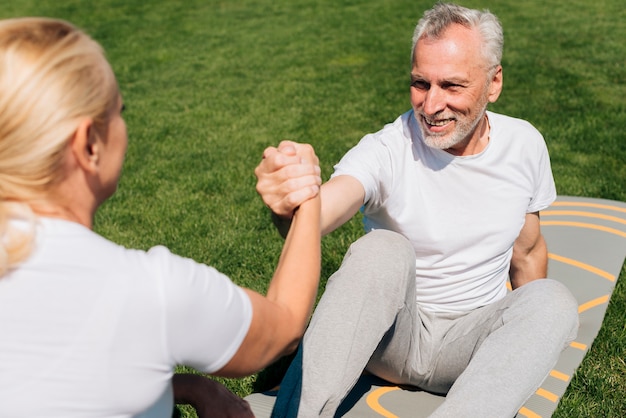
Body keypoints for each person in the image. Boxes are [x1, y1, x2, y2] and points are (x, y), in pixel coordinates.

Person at [254, 3, 579, 417]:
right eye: (420, 83)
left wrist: (522, 338)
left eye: (452, 86)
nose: (430, 105)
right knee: (382, 250)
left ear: (493, 82)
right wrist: (292, 206)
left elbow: (529, 252)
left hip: (470, 344)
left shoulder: (525, 145)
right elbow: (323, 211)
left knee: (552, 300)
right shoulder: (387, 150)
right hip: (392, 340)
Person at [0, 17, 323, 418]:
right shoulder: (149, 290)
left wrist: (184, 386)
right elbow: (285, 327)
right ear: (88, 145)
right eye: (120, 111)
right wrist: (307, 190)